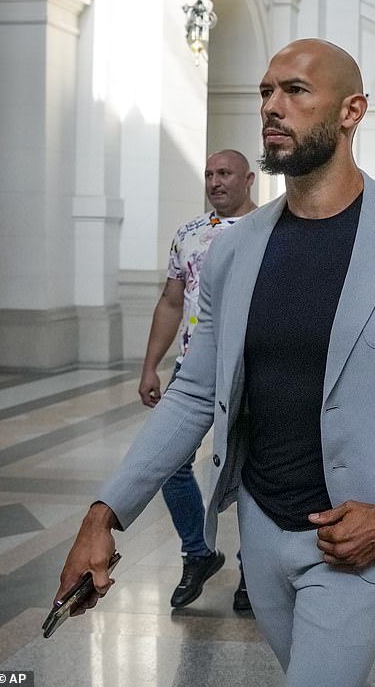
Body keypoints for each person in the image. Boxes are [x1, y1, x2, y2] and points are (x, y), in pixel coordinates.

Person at [54, 40, 375, 687]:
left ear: (352, 110)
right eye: (266, 91)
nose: (272, 106)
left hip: (360, 536)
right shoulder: (234, 255)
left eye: (295, 91)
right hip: (261, 531)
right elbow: (193, 395)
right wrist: (103, 515)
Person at [137, 149, 256, 610]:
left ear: (248, 179)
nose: (214, 181)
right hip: (193, 369)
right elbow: (171, 302)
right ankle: (198, 551)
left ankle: (253, 570)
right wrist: (151, 364)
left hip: (250, 370)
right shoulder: (188, 234)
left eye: (224, 173)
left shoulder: (269, 230)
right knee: (168, 462)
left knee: (253, 472)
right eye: (208, 174)